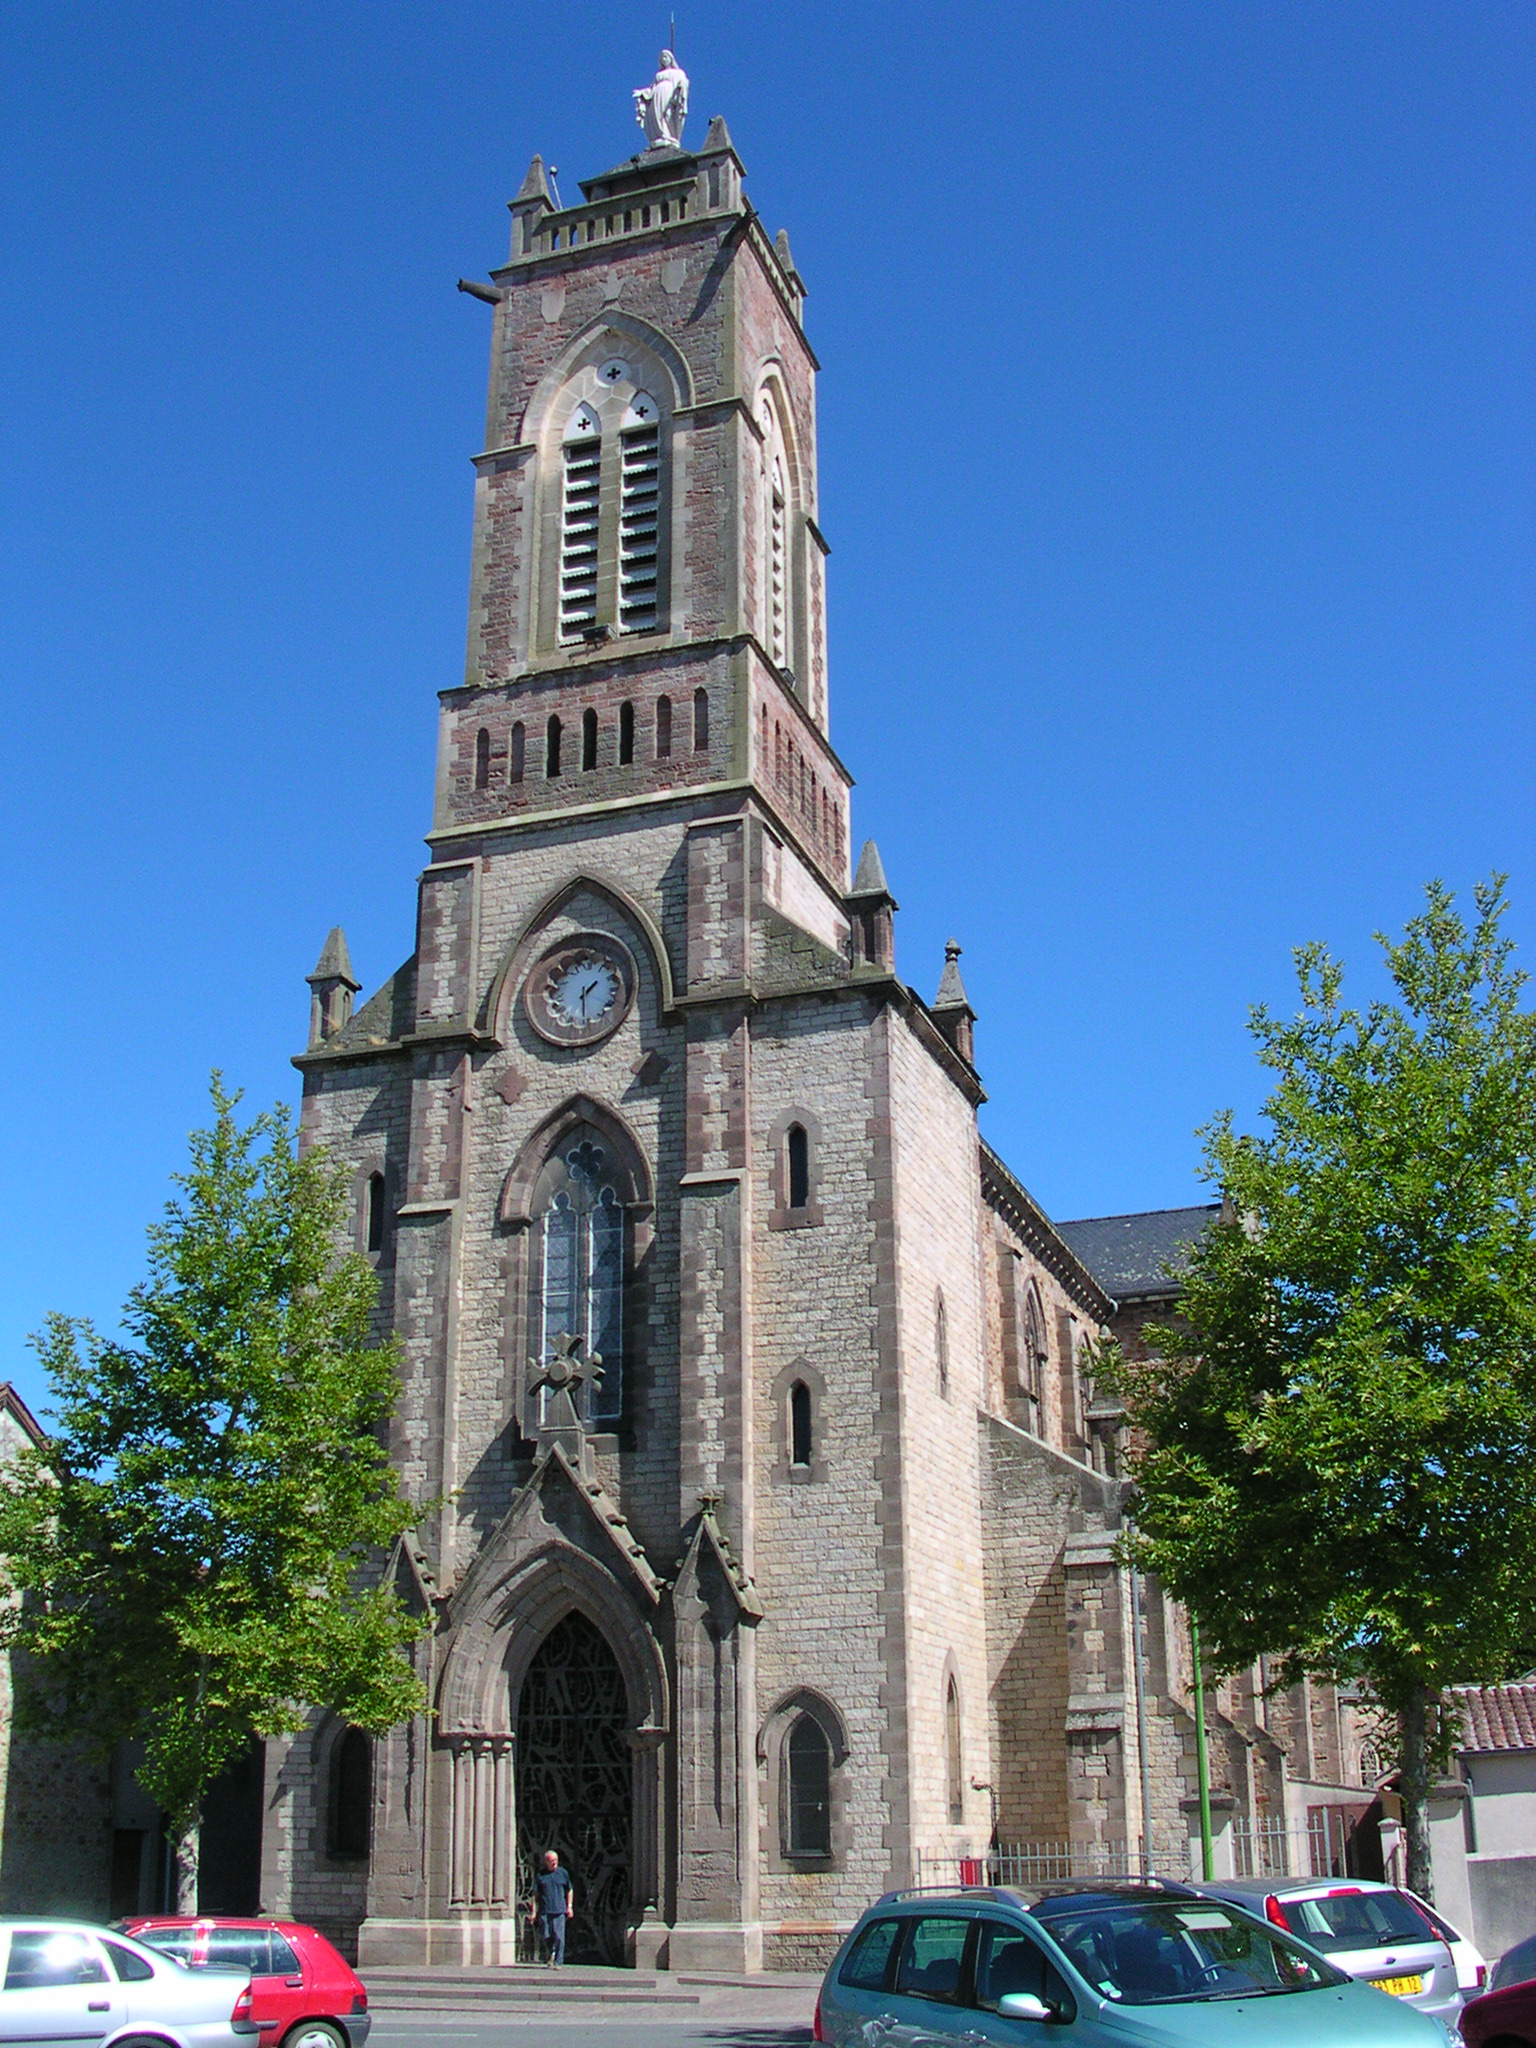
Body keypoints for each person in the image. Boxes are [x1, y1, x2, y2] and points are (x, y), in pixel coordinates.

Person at [530, 1848, 574, 1968]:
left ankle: (558, 1962)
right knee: (545, 1934)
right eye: (551, 1861)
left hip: (559, 1910)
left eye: (556, 1860)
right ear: (546, 1862)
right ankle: (551, 1952)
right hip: (545, 1910)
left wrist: (569, 1906)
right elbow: (535, 1894)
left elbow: (569, 1890)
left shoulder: (563, 1873)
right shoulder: (541, 1875)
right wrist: (534, 1911)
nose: (554, 1863)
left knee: (559, 1936)